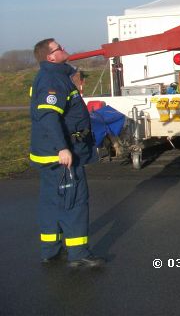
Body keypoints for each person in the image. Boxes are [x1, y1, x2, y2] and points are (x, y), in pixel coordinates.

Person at [29, 39, 104, 268]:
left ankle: (50, 250)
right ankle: (78, 254)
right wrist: (62, 148)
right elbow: (49, 117)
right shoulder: (53, 80)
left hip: (49, 152)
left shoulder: (54, 76)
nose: (64, 48)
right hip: (61, 153)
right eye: (58, 47)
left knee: (52, 201)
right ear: (50, 57)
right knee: (74, 201)